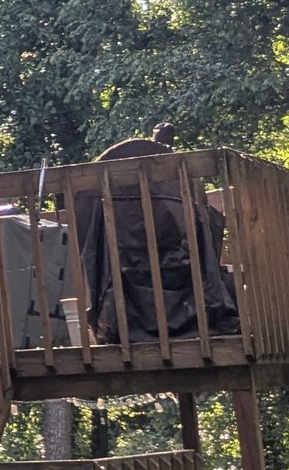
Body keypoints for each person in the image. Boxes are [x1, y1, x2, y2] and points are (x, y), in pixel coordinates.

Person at [73, 125, 239, 345]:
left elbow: (84, 230)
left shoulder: (112, 173)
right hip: (176, 278)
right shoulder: (180, 179)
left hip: (126, 282)